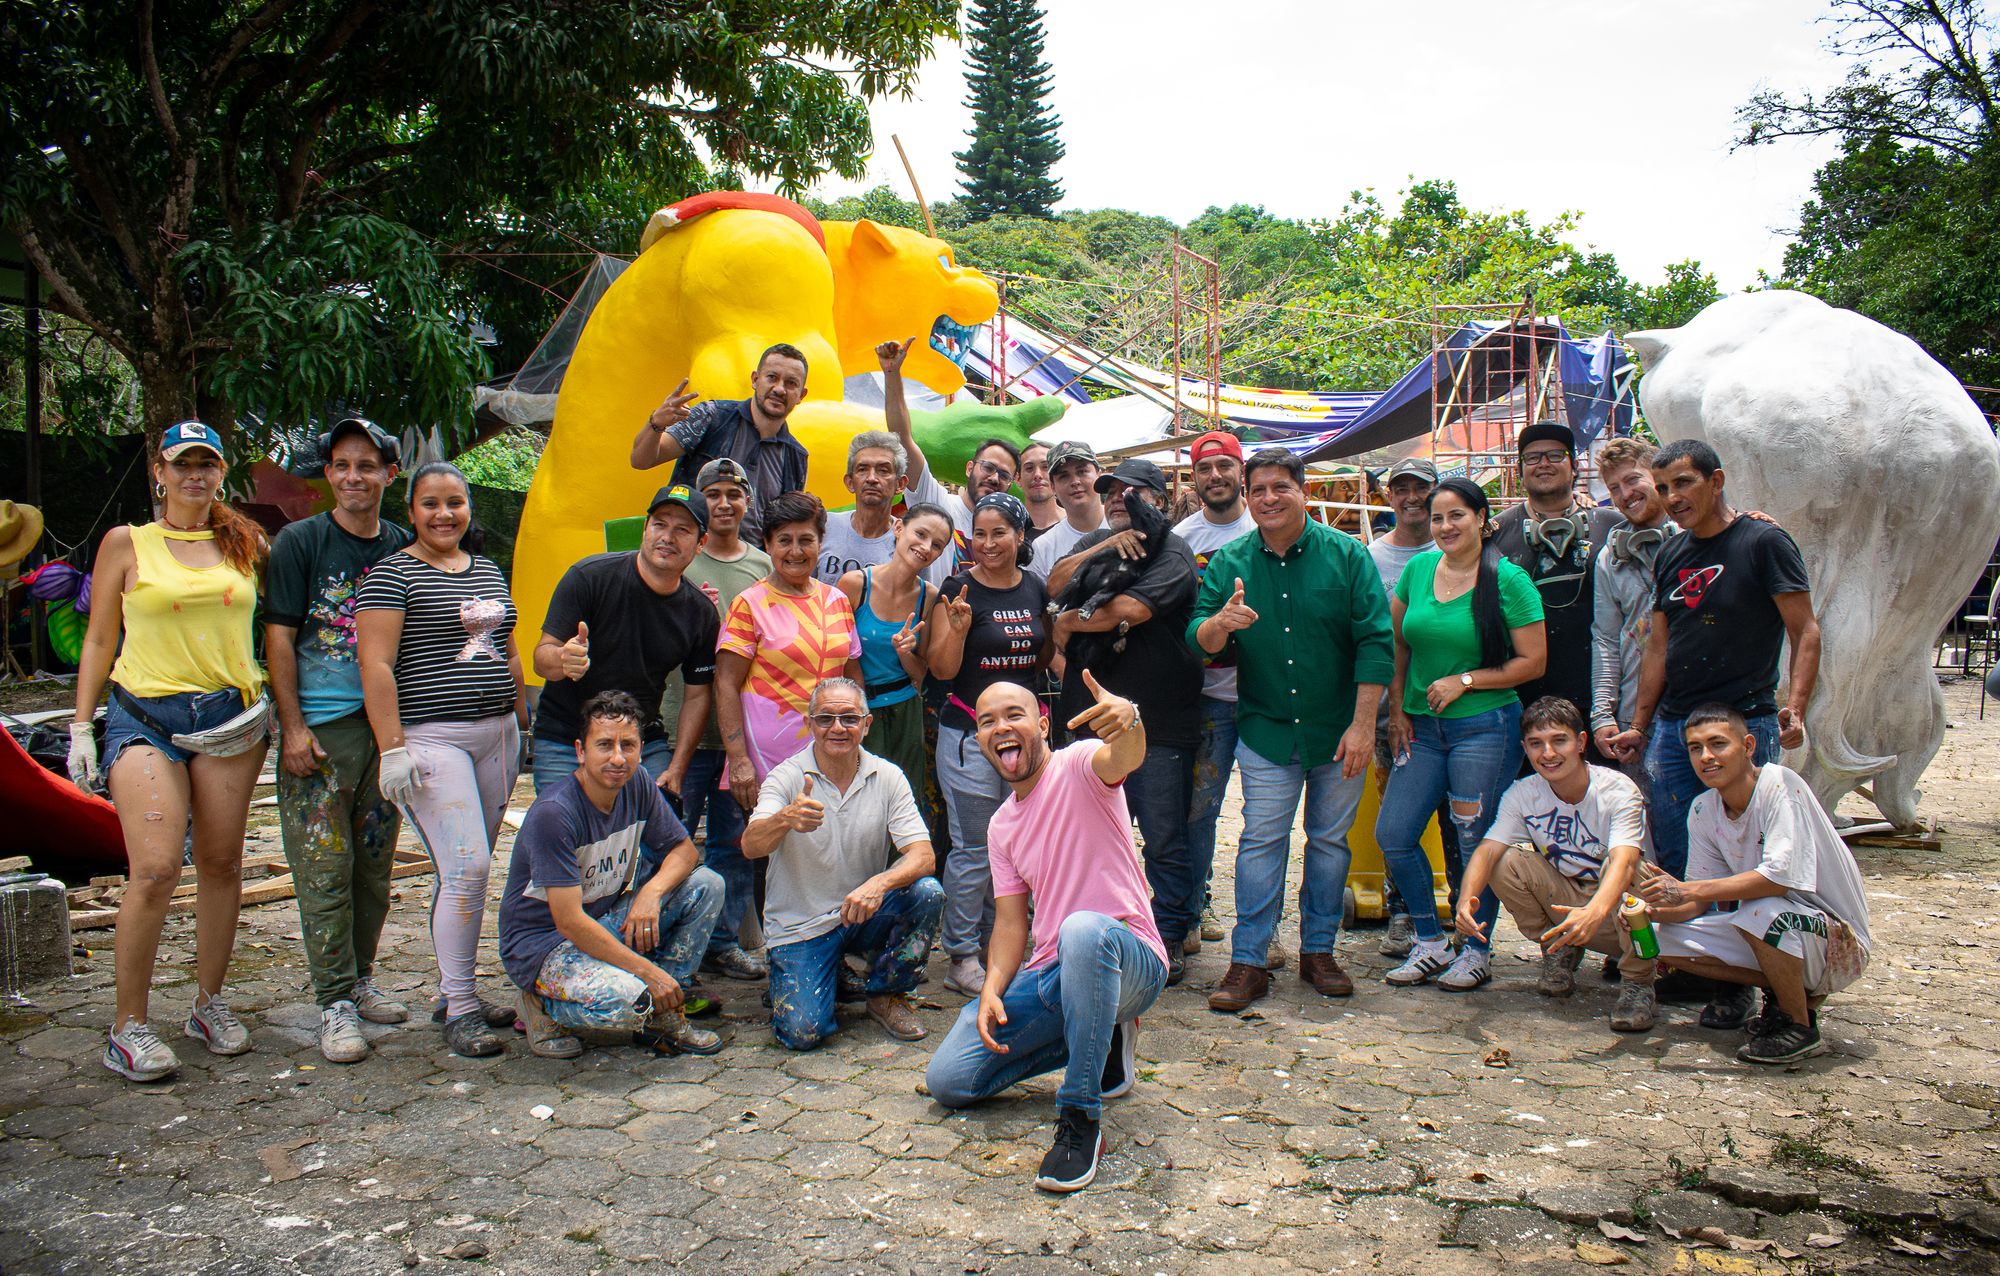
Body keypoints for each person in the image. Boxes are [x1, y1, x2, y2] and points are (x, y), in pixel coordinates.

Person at [71, 420, 271, 1082]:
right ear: (158, 472)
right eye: (182, 463)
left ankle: (208, 1004)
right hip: (144, 717)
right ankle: (127, 1025)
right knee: (155, 869)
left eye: (207, 463)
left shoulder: (242, 544)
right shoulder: (127, 544)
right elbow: (99, 638)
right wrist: (79, 727)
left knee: (220, 864)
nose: (194, 474)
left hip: (228, 719)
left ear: (220, 472)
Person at [925, 676, 1168, 1194]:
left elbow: (1122, 756)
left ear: (1041, 723)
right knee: (949, 1081)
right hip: (1056, 971)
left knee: (1082, 929)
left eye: (1013, 714)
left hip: (1131, 956)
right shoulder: (1001, 826)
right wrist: (992, 986)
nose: (1000, 727)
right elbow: (1012, 924)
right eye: (986, 721)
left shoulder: (1079, 764)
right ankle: (1102, 1036)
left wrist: (1131, 717)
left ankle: (1080, 1118)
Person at [1609, 439, 1820, 1030]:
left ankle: (1772, 988)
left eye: (1684, 484)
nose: (1674, 498)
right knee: (1682, 852)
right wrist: (1641, 726)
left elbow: (1806, 631)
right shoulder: (1671, 554)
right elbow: (1659, 645)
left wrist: (1794, 706)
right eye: (1665, 487)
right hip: (1675, 727)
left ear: (1716, 480)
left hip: (1743, 719)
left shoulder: (1762, 541)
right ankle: (1715, 974)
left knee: (1751, 856)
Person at [1187, 449, 1394, 1012]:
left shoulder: (1347, 556)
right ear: (1247, 498)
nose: (1270, 498)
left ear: (1303, 491)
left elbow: (1375, 642)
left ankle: (1319, 951)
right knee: (1260, 841)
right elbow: (1197, 639)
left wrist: (1362, 726)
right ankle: (1249, 960)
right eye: (1260, 490)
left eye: (1282, 487)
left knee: (1328, 843)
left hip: (1338, 731)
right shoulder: (1230, 560)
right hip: (1267, 729)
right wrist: (1218, 625)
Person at [356, 462, 527, 1058]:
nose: (444, 513)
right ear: (411, 512)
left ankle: (463, 993)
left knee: (479, 869)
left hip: (498, 735)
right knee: (466, 867)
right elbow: (375, 665)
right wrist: (392, 748)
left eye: (455, 502)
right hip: (434, 738)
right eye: (430, 503)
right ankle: (458, 1007)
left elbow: (505, 646)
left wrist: (523, 717)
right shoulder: (390, 576)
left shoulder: (487, 570)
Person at [264, 418, 412, 1064]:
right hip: (320, 735)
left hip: (385, 733)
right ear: (328, 474)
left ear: (389, 474)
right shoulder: (300, 543)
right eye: (342, 465)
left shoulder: (405, 548)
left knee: (373, 869)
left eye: (368, 465)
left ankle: (361, 978)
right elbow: (278, 639)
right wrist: (291, 726)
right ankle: (334, 1003)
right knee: (324, 871)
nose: (355, 477)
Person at [1376, 477, 1547, 993]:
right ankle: (1429, 941)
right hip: (1421, 729)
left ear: (1481, 519)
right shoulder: (1418, 569)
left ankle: (1476, 949)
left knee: (1474, 840)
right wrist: (1397, 710)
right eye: (1438, 518)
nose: (1446, 526)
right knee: (1395, 833)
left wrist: (1467, 680)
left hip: (1484, 727)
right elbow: (1398, 646)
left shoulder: (1508, 580)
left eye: (1457, 516)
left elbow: (1533, 662)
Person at [1637, 704, 1871, 1065]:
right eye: (1695, 748)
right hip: (1774, 930)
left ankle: (1800, 1025)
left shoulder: (1780, 784)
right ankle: (1778, 994)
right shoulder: (1703, 808)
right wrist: (1654, 908)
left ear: (1748, 746)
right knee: (1654, 936)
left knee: (1762, 911)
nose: (1706, 757)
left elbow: (1776, 881)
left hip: (1837, 941)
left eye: (1718, 744)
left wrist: (1689, 890)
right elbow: (1698, 899)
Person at [498, 692, 726, 1059]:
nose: (618, 758)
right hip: (544, 945)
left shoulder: (636, 785)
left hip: (602, 920)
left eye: (628, 745)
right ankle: (543, 1006)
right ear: (580, 751)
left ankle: (666, 1008)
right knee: (626, 1004)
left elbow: (684, 852)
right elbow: (569, 922)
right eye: (604, 745)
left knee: (706, 885)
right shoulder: (555, 813)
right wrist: (646, 974)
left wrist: (651, 893)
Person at [1048, 459, 1202, 980]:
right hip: (1085, 723)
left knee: (1162, 836)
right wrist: (1100, 548)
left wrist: (1069, 620)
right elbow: (1054, 585)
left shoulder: (1174, 552)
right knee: (1089, 834)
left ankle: (1172, 933)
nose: (1118, 498)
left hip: (1156, 724)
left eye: (1133, 491)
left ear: (1157, 499)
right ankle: (1092, 929)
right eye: (1111, 490)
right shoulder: (1095, 543)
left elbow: (1128, 611)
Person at [742, 679, 944, 1049]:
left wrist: (879, 884)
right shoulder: (786, 777)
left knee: (927, 893)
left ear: (866, 725)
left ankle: (885, 995)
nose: (838, 727)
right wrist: (784, 819)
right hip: (801, 925)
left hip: (861, 911)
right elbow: (751, 845)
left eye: (849, 718)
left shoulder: (888, 776)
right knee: (803, 1032)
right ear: (810, 724)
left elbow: (923, 856)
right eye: (826, 718)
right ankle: (806, 974)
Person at [1453, 696, 1658, 1031]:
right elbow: (1488, 849)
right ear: (1525, 748)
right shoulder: (1522, 793)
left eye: (1558, 741)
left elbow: (1623, 860)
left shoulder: (1618, 789)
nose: (1548, 753)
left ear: (1580, 743)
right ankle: (1558, 948)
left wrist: (1594, 912)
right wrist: (1465, 901)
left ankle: (1638, 984)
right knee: (1505, 860)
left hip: (1621, 910)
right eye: (1536, 744)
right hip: (1569, 901)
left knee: (1631, 870)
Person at [926, 492, 1051, 996]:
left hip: (1023, 742)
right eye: (980, 533)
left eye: (1000, 532)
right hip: (968, 740)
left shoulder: (1036, 587)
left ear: (1021, 537)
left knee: (1018, 845)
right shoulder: (957, 590)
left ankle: (995, 943)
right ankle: (961, 954)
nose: (988, 542)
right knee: (974, 848)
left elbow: (1041, 660)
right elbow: (941, 669)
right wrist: (956, 630)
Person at [659, 458, 773, 982]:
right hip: (678, 724)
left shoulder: (764, 567)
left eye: (734, 493)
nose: (724, 503)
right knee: (671, 840)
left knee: (732, 844)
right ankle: (666, 945)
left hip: (741, 739)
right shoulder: (678, 558)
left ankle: (724, 942)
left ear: (748, 502)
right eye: (714, 493)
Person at [530, 485, 717, 796]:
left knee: (665, 835)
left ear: (701, 543)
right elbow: (541, 659)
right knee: (561, 835)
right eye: (659, 524)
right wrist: (563, 659)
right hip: (565, 736)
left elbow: (697, 696)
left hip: (639, 740)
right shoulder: (588, 576)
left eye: (682, 530)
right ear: (645, 529)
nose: (667, 537)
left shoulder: (700, 613)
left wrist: (677, 767)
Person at [715, 490, 863, 804]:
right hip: (767, 761)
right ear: (767, 544)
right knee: (769, 849)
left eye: (806, 540)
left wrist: (858, 735)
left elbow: (852, 676)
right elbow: (725, 684)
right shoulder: (749, 605)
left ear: (821, 542)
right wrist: (739, 759)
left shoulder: (837, 601)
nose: (795, 551)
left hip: (832, 753)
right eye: (784, 540)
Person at [1172, 430, 1255, 957]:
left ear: (1240, 472)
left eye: (1225, 466)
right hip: (1206, 697)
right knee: (1199, 810)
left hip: (1269, 698)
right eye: (1205, 469)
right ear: (1194, 478)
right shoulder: (1181, 540)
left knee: (1267, 816)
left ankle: (1257, 921)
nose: (1216, 477)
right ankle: (1191, 907)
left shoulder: (1267, 527)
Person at [1490, 424, 1620, 752]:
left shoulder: (1613, 526)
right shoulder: (1494, 533)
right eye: (1532, 457)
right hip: (1520, 703)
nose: (1543, 463)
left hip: (1602, 703)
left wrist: (1741, 517)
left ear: (1574, 466)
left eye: (1555, 455)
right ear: (1520, 471)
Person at [1365, 456, 1443, 959]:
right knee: (1398, 816)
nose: (1411, 497)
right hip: (1391, 713)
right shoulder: (1370, 557)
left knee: (1460, 818)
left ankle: (1460, 912)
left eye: (1422, 488)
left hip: (1455, 708)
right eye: (1401, 488)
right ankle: (1404, 912)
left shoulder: (1462, 550)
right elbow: (1370, 637)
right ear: (1387, 497)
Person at [629, 344, 811, 544]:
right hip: (687, 553)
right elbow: (641, 460)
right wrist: (656, 423)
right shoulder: (711, 416)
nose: (779, 389)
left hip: (750, 566)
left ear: (801, 395)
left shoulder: (796, 456)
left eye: (791, 383)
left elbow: (786, 526)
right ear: (755, 379)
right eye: (772, 377)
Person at [835, 502, 953, 800]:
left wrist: (905, 653)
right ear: (898, 528)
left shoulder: (929, 596)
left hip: (905, 712)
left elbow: (922, 673)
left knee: (903, 801)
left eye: (937, 545)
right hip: (857, 713)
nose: (926, 547)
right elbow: (836, 657)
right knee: (858, 801)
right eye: (921, 534)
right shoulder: (854, 585)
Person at [1588, 438, 1676, 787]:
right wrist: (1602, 715)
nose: (1625, 494)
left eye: (1633, 480)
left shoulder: (1701, 535)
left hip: (1698, 711)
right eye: (1614, 488)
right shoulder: (1610, 558)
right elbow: (1605, 639)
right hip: (1635, 715)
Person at [816, 340, 927, 583]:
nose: (872, 478)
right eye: (862, 469)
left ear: (901, 484)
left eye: (884, 470)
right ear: (849, 481)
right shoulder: (823, 527)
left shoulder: (910, 540)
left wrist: (892, 374)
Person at [1027, 442, 1106, 579]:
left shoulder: (1126, 523)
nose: (1075, 481)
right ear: (1053, 487)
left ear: (1099, 475)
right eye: (1064, 476)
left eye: (1082, 472)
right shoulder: (1043, 547)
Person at [1018, 441, 1061, 539]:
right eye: (1029, 468)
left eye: (1046, 467)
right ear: (1018, 478)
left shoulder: (1076, 522)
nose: (1037, 475)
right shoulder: (1009, 529)